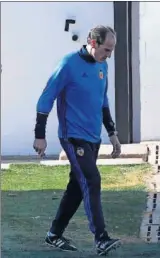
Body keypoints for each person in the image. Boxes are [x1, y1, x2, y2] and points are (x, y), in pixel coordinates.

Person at [33, 25, 121, 256]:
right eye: (106, 49)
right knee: (92, 180)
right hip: (72, 137)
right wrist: (40, 135)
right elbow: (45, 98)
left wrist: (112, 134)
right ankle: (101, 238)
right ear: (92, 43)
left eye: (112, 50)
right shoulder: (68, 64)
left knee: (77, 187)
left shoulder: (103, 66)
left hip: (93, 138)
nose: (109, 55)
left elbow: (103, 102)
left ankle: (54, 234)